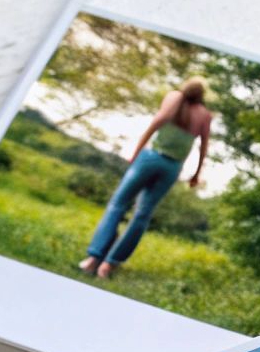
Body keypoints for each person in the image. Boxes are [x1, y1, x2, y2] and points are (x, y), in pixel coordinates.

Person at [79, 78, 213, 279]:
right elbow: (204, 147)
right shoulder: (205, 114)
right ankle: (109, 265)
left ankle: (93, 259)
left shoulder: (175, 97)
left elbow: (157, 122)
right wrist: (196, 174)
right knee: (142, 215)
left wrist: (136, 152)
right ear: (202, 95)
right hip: (172, 167)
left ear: (185, 88)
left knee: (117, 205)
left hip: (151, 158)